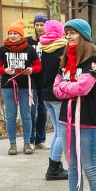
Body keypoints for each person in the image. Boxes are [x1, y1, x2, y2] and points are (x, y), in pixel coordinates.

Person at [54, 19, 96, 191]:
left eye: (72, 33)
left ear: (82, 35)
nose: (68, 36)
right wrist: (69, 86)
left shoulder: (93, 59)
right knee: (73, 167)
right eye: (66, 33)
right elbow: (56, 89)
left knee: (90, 167)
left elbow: (84, 88)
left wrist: (67, 86)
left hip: (87, 122)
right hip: (66, 120)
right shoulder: (65, 59)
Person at [0, 20, 42, 155]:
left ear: (21, 35)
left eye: (15, 33)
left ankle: (27, 144)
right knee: (11, 116)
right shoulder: (2, 50)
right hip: (8, 86)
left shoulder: (29, 49)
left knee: (26, 115)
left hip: (26, 86)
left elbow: (38, 66)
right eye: (10, 33)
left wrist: (31, 69)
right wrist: (4, 71)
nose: (12, 36)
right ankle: (12, 144)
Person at [38, 20, 69, 180]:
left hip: (46, 94)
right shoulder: (63, 48)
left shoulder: (43, 47)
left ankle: (55, 165)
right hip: (58, 94)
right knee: (62, 132)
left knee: (57, 131)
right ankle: (54, 167)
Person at [28, 14, 48, 150]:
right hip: (31, 80)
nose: (39, 27)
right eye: (37, 25)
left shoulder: (50, 41)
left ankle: (40, 139)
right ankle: (30, 139)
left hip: (46, 80)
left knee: (43, 110)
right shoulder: (28, 42)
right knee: (31, 110)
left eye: (42, 25)